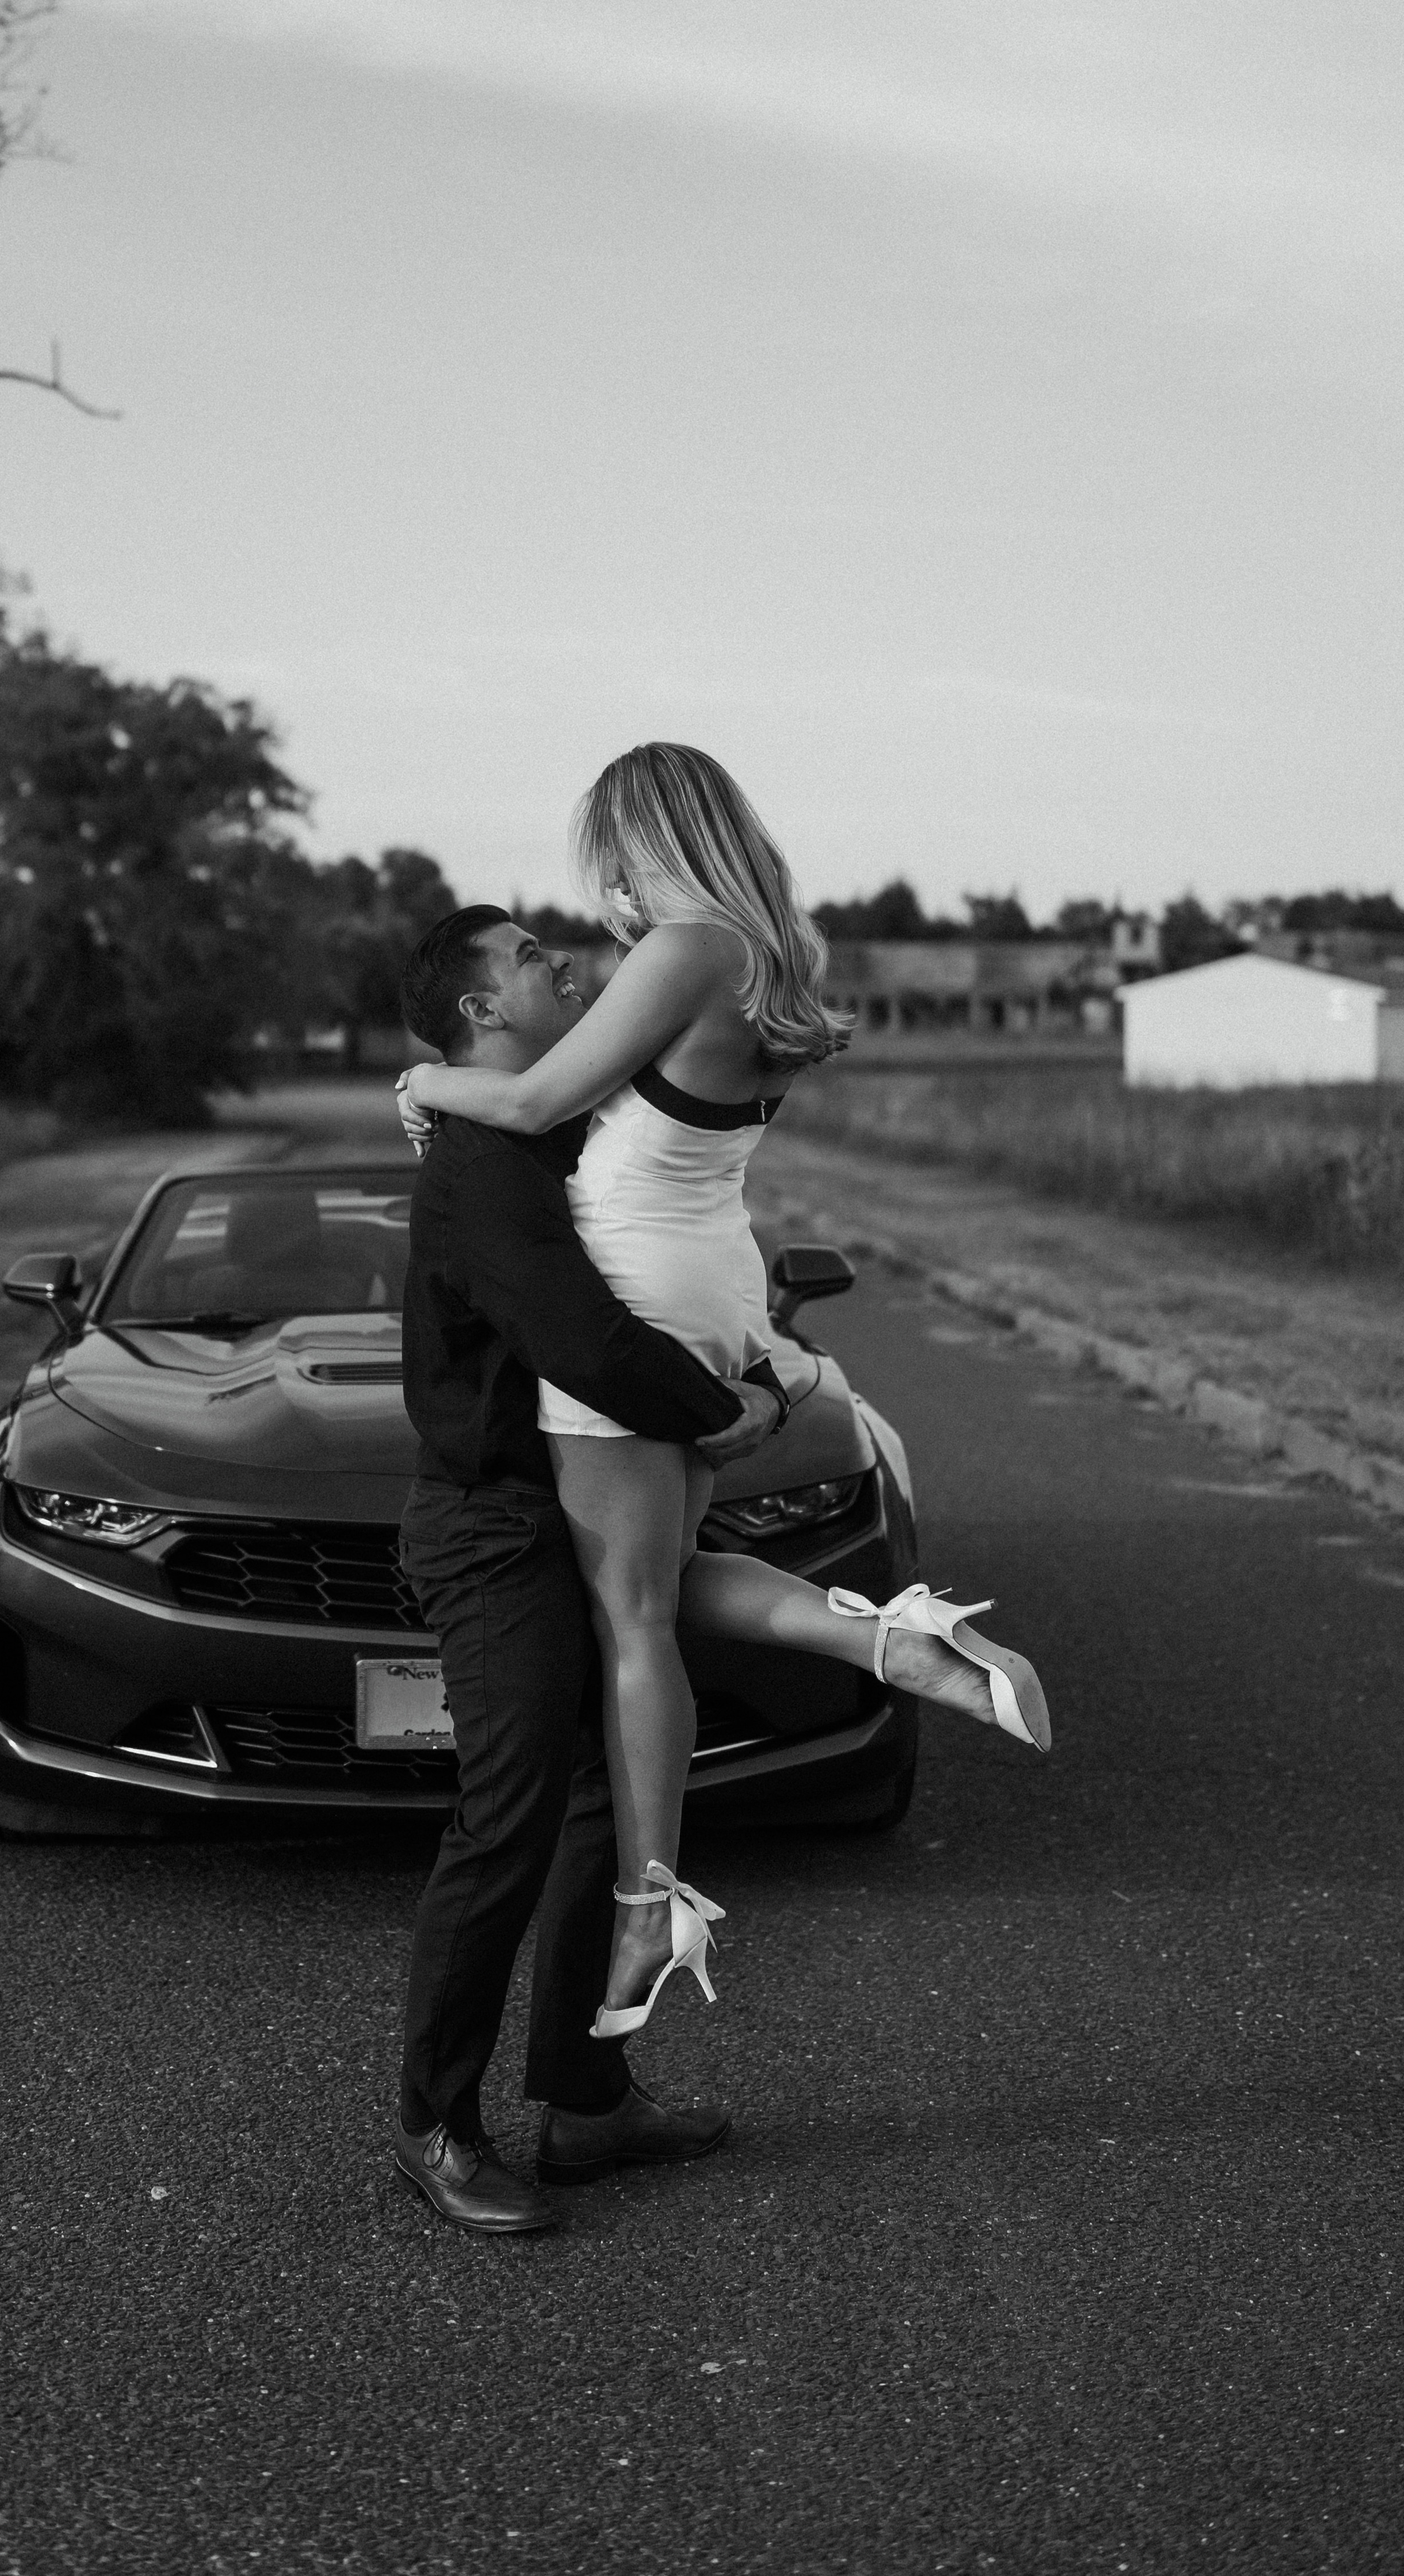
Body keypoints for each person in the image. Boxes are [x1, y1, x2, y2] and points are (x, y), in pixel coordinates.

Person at [402, 743, 1051, 2036]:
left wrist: (422, 1080)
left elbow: (531, 1097)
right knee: (656, 1578)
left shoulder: (683, 950)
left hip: (636, 1292)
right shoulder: (768, 959)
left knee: (632, 1616)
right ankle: (885, 1639)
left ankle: (651, 1902)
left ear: (651, 836)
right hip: (714, 1280)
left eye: (612, 861)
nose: (603, 896)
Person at [393, 903, 795, 2237]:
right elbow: (577, 1334)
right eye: (525, 958)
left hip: (572, 1503)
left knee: (589, 1814)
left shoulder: (564, 1120)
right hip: (497, 1524)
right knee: (506, 1818)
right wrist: (720, 1409)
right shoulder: (480, 1159)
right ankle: (437, 2128)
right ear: (478, 1013)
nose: (561, 959)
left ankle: (581, 2100)